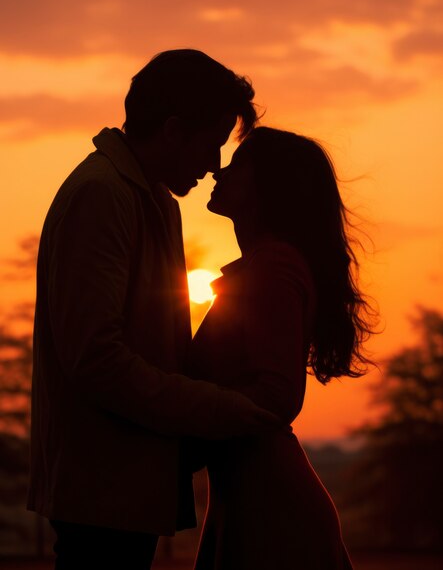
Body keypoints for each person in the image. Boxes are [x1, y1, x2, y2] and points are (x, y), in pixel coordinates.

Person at [27, 50, 279, 569]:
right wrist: (213, 408)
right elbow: (96, 358)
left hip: (129, 486)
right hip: (100, 492)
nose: (213, 166)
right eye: (210, 145)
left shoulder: (151, 199)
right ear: (171, 130)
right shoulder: (102, 196)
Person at [187, 127, 375, 569]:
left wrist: (181, 415)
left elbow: (277, 396)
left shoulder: (273, 266)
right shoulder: (265, 266)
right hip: (249, 499)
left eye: (236, 164)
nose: (218, 170)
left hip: (269, 512)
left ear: (266, 184)